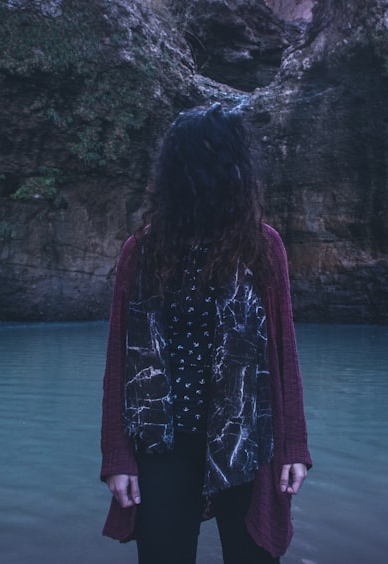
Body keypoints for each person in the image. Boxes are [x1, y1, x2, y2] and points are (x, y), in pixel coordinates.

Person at [99, 102, 312, 564]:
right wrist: (117, 455)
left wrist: (294, 445)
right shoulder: (143, 251)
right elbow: (119, 358)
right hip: (164, 442)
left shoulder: (262, 246)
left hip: (246, 437)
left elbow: (283, 353)